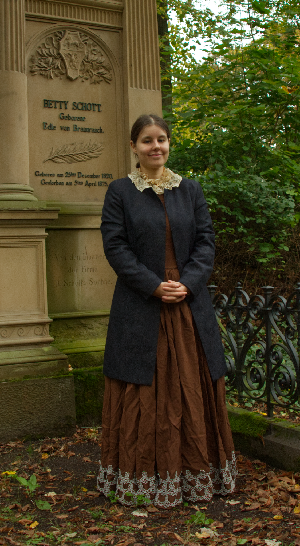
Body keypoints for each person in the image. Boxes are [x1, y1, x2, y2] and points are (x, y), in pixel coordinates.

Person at [97, 114, 236, 508]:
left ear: (169, 143)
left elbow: (206, 241)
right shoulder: (120, 192)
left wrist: (187, 282)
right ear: (134, 147)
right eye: (146, 141)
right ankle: (142, 476)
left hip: (188, 304)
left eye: (161, 140)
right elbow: (116, 246)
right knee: (146, 389)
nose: (155, 147)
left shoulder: (190, 190)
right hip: (142, 305)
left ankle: (195, 475)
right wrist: (153, 285)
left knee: (190, 387)